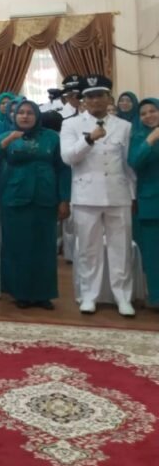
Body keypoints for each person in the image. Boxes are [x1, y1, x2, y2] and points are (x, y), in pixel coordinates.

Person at [0, 100, 70, 309]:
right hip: (14, 198)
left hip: (45, 198)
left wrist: (64, 199)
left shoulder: (52, 138)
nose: (25, 116)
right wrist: (6, 142)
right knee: (17, 247)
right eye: (21, 112)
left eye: (30, 112)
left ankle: (43, 294)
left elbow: (63, 169)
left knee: (45, 248)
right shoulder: (5, 136)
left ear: (37, 116)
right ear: (14, 116)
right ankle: (19, 292)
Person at [60, 75, 136, 316]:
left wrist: (133, 195)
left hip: (118, 194)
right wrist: (88, 139)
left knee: (121, 249)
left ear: (108, 98)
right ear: (83, 100)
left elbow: (129, 165)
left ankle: (122, 297)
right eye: (90, 96)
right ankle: (88, 295)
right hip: (86, 195)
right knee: (88, 249)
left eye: (99, 95)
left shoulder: (124, 126)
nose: (95, 100)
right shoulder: (71, 125)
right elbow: (67, 157)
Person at [130, 98, 159, 307]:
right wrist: (151, 139)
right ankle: (156, 296)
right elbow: (134, 162)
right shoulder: (138, 137)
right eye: (143, 113)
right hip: (150, 201)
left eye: (153, 111)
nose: (148, 115)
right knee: (153, 253)